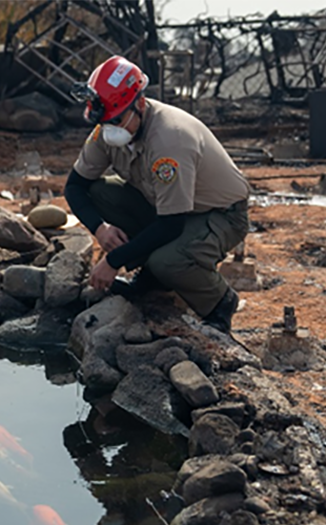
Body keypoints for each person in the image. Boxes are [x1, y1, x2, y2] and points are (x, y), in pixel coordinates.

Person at [63, 55, 251, 334]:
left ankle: (219, 303)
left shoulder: (169, 139)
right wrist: (100, 230)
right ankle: (152, 280)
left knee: (168, 261)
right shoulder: (107, 130)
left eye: (116, 120)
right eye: (104, 122)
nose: (110, 129)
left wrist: (113, 261)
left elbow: (171, 225)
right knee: (100, 191)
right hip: (166, 206)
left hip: (219, 214)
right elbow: (75, 187)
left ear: (140, 103)